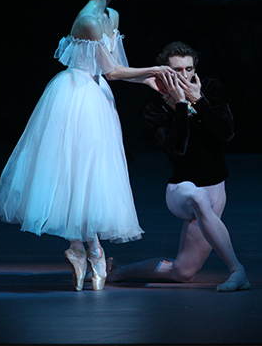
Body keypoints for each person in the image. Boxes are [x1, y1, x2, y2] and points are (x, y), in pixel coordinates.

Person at [0, 0, 175, 292]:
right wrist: (156, 70)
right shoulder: (89, 20)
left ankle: (80, 249)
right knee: (75, 172)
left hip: (98, 97)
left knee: (92, 173)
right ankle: (91, 250)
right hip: (76, 97)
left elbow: (118, 68)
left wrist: (150, 82)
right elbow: (114, 72)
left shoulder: (112, 15)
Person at [107, 41, 250, 292]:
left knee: (182, 272)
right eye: (176, 71)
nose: (183, 75)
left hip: (216, 190)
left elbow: (227, 134)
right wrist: (182, 104)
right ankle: (238, 271)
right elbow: (177, 149)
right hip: (182, 190)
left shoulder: (210, 90)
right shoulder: (156, 109)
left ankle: (118, 273)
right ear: (164, 72)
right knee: (198, 197)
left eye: (188, 69)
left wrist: (199, 101)